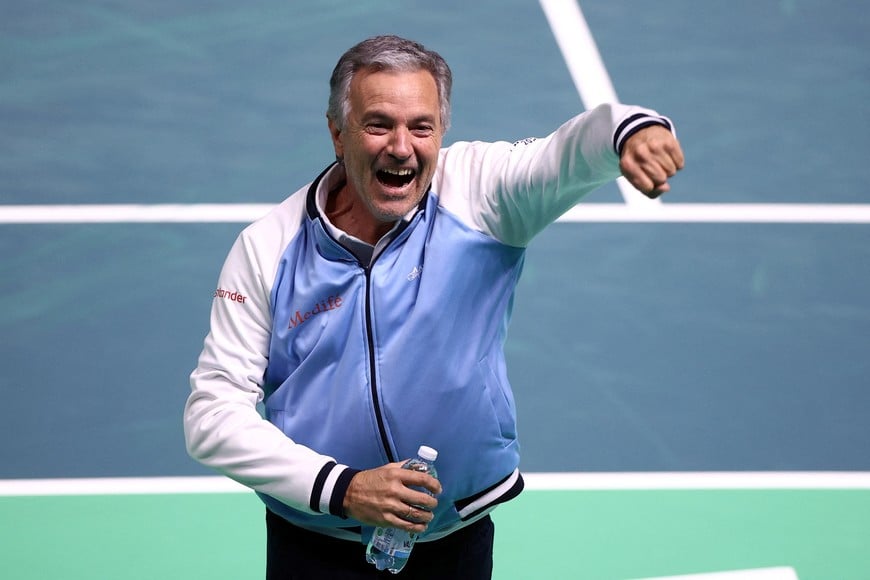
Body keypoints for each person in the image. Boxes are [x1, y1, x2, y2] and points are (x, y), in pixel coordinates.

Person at [184, 34, 684, 579]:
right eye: (378, 124)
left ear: (440, 132)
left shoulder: (478, 194)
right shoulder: (268, 248)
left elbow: (567, 152)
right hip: (314, 541)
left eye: (421, 127)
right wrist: (343, 488)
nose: (402, 147)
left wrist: (631, 130)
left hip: (451, 538)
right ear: (337, 132)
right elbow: (213, 415)